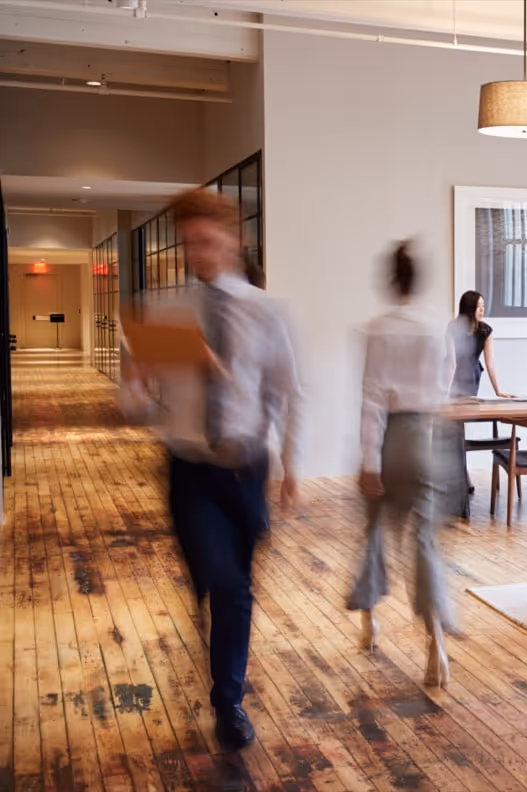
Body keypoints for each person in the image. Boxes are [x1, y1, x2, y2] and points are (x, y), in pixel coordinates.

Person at [120, 188, 303, 752]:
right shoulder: (167, 312)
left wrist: (291, 464)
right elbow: (135, 407)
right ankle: (229, 696)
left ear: (233, 239)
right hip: (191, 468)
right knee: (221, 582)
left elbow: (287, 391)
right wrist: (137, 382)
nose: (197, 251)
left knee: (234, 587)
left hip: (245, 468)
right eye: (189, 242)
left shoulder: (267, 310)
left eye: (207, 239)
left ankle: (228, 701)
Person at [350, 241, 456, 687]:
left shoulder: (378, 329)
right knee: (424, 542)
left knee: (374, 530)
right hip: (428, 439)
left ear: (391, 281)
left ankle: (370, 623)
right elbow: (446, 383)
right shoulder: (438, 328)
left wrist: (369, 461)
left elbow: (373, 398)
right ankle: (436, 646)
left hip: (392, 438)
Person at [447, 291, 512, 516]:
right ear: (468, 308)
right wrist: (445, 392)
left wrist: (499, 390)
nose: (482, 310)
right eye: (479, 306)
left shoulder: (485, 330)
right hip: (452, 377)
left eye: (484, 305)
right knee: (453, 428)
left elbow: (490, 363)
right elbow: (451, 363)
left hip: (472, 375)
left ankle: (461, 478)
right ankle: (461, 477)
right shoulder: (452, 328)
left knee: (458, 427)